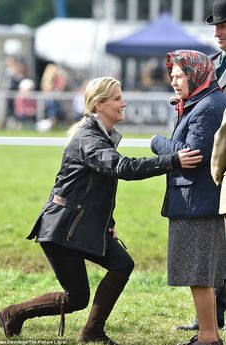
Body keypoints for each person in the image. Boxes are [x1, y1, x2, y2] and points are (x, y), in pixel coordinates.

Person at [0, 76, 202, 344]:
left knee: (121, 264)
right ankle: (13, 313)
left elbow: (100, 185)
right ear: (99, 104)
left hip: (81, 223)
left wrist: (108, 222)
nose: (124, 103)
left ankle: (92, 332)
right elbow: (121, 168)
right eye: (117, 98)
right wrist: (171, 161)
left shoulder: (100, 135)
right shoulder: (88, 137)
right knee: (77, 298)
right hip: (62, 228)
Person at [150, 50, 226, 345]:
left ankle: (208, 337)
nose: (174, 81)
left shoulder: (207, 106)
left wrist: (157, 142)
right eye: (172, 75)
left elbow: (191, 156)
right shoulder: (200, 101)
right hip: (195, 199)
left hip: (198, 201)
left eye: (180, 75)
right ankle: (208, 334)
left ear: (195, 74)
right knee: (199, 272)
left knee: (200, 273)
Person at [176, 0, 226, 332]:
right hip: (213, 162)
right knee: (216, 239)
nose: (218, 32)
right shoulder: (213, 65)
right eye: (216, 27)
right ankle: (213, 312)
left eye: (224, 26)